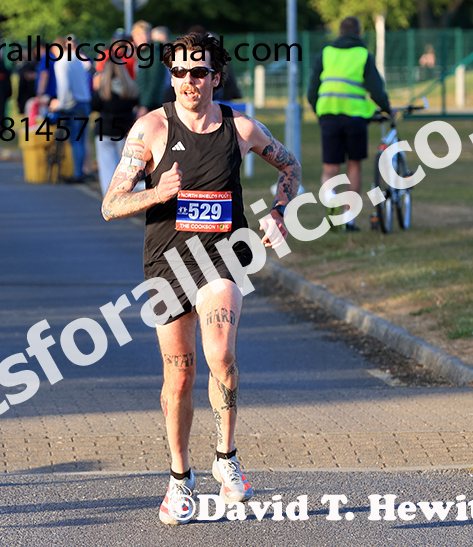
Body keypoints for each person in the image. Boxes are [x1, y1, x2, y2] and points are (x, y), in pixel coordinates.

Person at [100, 32, 301, 526]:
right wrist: (155, 193)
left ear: (217, 76)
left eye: (198, 72)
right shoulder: (149, 130)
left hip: (223, 258)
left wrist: (279, 210)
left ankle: (227, 458)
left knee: (221, 354)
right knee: (180, 376)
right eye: (179, 73)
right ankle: (179, 479)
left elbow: (290, 165)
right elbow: (110, 204)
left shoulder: (241, 127)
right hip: (166, 265)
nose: (188, 82)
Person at [307, 17, 391, 232]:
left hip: (329, 116)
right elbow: (376, 89)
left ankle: (331, 205)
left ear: (340, 33)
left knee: (330, 168)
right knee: (354, 166)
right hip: (354, 117)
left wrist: (320, 111)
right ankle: (348, 220)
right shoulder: (363, 55)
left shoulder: (325, 54)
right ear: (359, 33)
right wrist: (388, 108)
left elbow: (311, 92)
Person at [91, 57, 139, 194]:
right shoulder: (131, 89)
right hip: (124, 130)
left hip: (104, 130)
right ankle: (125, 193)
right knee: (125, 166)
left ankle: (109, 195)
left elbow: (94, 106)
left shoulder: (103, 90)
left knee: (107, 167)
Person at [49, 36, 92, 182]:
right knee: (81, 139)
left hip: (72, 105)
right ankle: (82, 171)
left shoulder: (61, 62)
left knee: (75, 141)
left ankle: (77, 174)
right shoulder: (78, 60)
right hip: (84, 102)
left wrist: (59, 104)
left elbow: (63, 86)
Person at [132, 21, 168, 118]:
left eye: (142, 34)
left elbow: (154, 82)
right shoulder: (144, 53)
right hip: (144, 103)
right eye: (136, 35)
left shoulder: (154, 54)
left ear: (149, 35)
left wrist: (145, 106)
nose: (139, 38)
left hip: (152, 105)